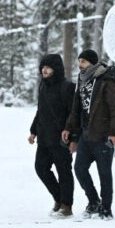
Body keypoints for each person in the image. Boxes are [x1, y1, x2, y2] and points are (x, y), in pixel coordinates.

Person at [62, 49, 115, 220]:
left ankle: (106, 208)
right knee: (80, 169)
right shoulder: (81, 81)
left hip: (103, 136)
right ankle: (94, 201)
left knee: (104, 173)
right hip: (85, 135)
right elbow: (76, 109)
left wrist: (114, 132)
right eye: (79, 61)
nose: (79, 64)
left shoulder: (106, 80)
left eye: (83, 61)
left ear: (92, 63)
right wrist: (69, 128)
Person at [29, 54, 76, 218]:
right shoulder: (43, 86)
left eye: (47, 67)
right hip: (44, 138)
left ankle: (66, 206)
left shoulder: (67, 87)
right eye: (42, 67)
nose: (44, 70)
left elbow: (74, 114)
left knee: (64, 171)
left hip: (61, 139)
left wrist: (73, 136)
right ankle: (58, 198)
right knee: (41, 168)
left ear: (56, 68)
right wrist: (33, 131)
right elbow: (40, 111)